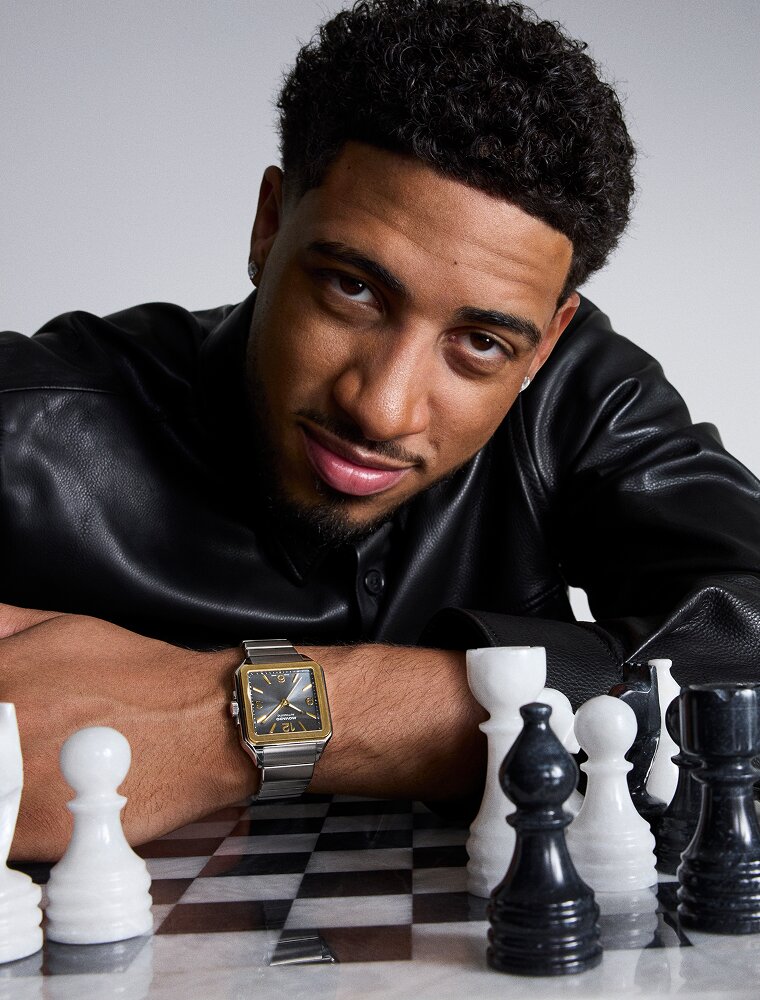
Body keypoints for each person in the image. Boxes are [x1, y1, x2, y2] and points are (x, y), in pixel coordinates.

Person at [2, 0, 759, 861]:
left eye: (480, 344)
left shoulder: (574, 400)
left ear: (547, 342)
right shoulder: (27, 425)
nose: (382, 410)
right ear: (269, 224)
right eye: (353, 290)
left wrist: (238, 715)